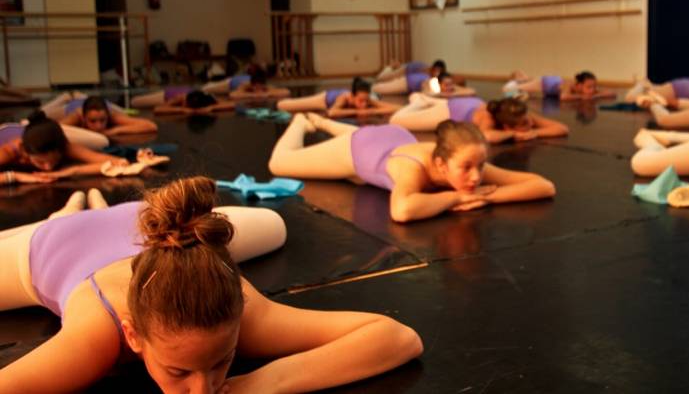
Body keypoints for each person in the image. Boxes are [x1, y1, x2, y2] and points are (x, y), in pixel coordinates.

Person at [0, 177, 423, 391]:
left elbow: (400, 337)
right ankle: (71, 207)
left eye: (223, 362)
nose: (204, 390)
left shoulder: (239, 305)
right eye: (178, 371)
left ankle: (94, 203)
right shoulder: (97, 333)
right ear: (132, 336)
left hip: (143, 220)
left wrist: (262, 383)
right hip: (52, 245)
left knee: (275, 225)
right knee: (62, 219)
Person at [268, 113, 556, 222]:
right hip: (360, 150)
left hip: (394, 137)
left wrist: (486, 196)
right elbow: (402, 210)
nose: (476, 176)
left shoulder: (464, 160)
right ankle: (301, 121)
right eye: (467, 167)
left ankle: (325, 122)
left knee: (361, 161)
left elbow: (543, 186)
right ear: (441, 164)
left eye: (480, 166)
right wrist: (456, 197)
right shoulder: (412, 169)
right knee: (279, 164)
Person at [0, 112, 127, 184]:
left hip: (44, 129)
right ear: (26, 153)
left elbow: (120, 163)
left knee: (102, 141)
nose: (48, 168)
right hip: (9, 130)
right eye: (40, 162)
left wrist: (71, 171)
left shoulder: (64, 146)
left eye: (54, 161)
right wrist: (16, 176)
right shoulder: (10, 151)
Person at [389, 94, 569, 144]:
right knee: (396, 120)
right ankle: (418, 101)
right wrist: (515, 135)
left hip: (471, 103)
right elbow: (487, 136)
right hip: (451, 110)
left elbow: (562, 128)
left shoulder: (521, 114)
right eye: (523, 124)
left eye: (527, 120)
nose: (530, 123)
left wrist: (535, 133)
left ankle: (429, 99)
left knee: (442, 102)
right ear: (506, 126)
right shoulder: (488, 119)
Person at [276, 77, 400, 118]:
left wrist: (373, 110)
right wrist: (357, 111)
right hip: (323, 100)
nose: (364, 104)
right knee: (282, 105)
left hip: (329, 104)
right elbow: (332, 112)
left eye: (366, 100)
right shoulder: (344, 98)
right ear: (352, 96)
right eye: (361, 101)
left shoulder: (367, 100)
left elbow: (396, 108)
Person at [59, 96, 157, 136]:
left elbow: (151, 126)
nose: (98, 126)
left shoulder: (111, 115)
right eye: (92, 121)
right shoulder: (76, 116)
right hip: (72, 105)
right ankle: (66, 97)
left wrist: (116, 130)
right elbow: (54, 131)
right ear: (84, 119)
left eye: (102, 120)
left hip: (107, 104)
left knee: (124, 114)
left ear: (107, 116)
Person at [373, 60, 474, 96]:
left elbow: (468, 90)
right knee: (379, 82)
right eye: (447, 85)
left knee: (381, 85)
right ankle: (390, 67)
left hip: (409, 81)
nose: (449, 87)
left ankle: (392, 67)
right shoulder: (428, 75)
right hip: (406, 75)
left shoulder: (436, 79)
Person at [502, 70, 616, 100]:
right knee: (507, 90)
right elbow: (563, 97)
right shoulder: (569, 84)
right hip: (543, 83)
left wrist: (596, 95)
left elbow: (612, 93)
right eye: (589, 87)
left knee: (525, 81)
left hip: (548, 81)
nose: (592, 89)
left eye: (594, 87)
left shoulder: (588, 89)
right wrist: (582, 96)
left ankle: (520, 77)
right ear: (578, 85)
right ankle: (517, 79)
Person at [226, 66, 291, 100]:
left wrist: (267, 94)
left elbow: (286, 91)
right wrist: (252, 95)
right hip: (232, 81)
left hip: (246, 78)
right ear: (252, 85)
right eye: (256, 87)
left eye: (260, 87)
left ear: (263, 85)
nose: (257, 89)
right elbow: (232, 94)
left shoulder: (267, 87)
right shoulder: (245, 86)